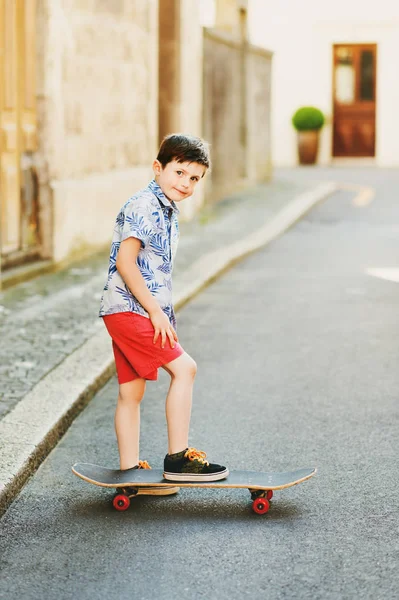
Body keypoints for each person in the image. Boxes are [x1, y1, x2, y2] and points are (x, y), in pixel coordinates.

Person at [99, 133, 228, 493]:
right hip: (132, 309)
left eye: (194, 178)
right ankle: (178, 458)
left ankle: (130, 475)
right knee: (185, 368)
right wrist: (155, 313)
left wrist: (161, 312)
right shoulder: (144, 205)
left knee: (131, 391)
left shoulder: (166, 207)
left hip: (128, 309)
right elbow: (126, 262)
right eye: (179, 172)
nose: (185, 183)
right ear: (158, 168)